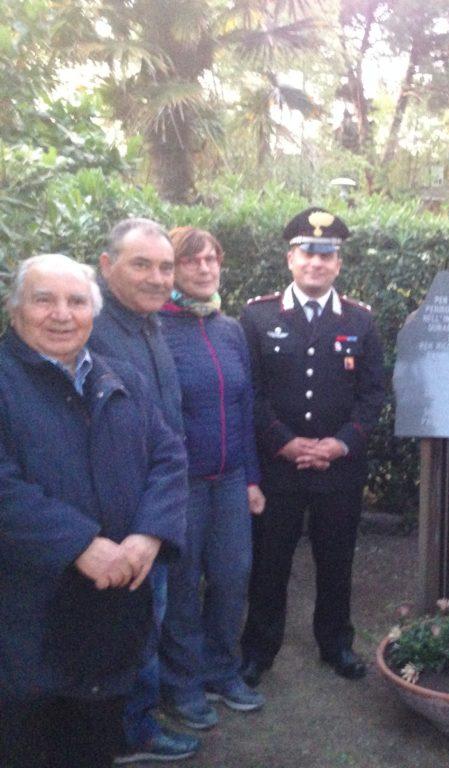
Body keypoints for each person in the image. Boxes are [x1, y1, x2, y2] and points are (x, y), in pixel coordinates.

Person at [0, 254, 187, 768]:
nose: (62, 314)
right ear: (15, 309)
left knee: (94, 743)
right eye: (44, 300)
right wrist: (79, 543)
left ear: (93, 312)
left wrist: (149, 534)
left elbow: (169, 457)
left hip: (111, 620)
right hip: (26, 625)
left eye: (77, 301)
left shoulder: (122, 377)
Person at [239, 206, 386, 686]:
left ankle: (336, 644)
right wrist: (282, 443)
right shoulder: (257, 316)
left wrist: (340, 445)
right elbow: (249, 392)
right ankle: (258, 649)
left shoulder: (360, 320)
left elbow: (372, 395)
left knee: (337, 561)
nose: (316, 263)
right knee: (269, 562)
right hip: (278, 467)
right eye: (307, 253)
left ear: (338, 264)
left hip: (338, 469)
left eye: (326, 255)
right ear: (290, 259)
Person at [89, 218, 200, 764]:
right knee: (128, 630)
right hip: (118, 521)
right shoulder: (88, 329)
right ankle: (129, 733)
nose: (157, 278)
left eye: (164, 267)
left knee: (146, 624)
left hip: (153, 510)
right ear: (107, 266)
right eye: (141, 265)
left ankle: (137, 719)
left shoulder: (148, 322)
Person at [157, 227, 267, 731]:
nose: (204, 268)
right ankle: (182, 684)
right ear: (173, 269)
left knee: (231, 577)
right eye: (192, 260)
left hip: (229, 481)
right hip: (181, 485)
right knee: (181, 586)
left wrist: (252, 478)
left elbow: (244, 407)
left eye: (211, 259)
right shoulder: (156, 329)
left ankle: (222, 672)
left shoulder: (230, 330)